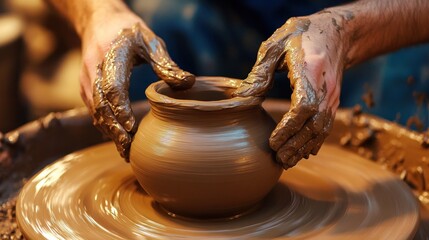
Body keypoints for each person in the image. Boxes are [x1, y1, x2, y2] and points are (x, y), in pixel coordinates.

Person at [44, 0, 429, 169]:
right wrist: (97, 12)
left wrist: (348, 32)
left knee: (402, 109)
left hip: (371, 21)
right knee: (142, 62)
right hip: (219, 12)